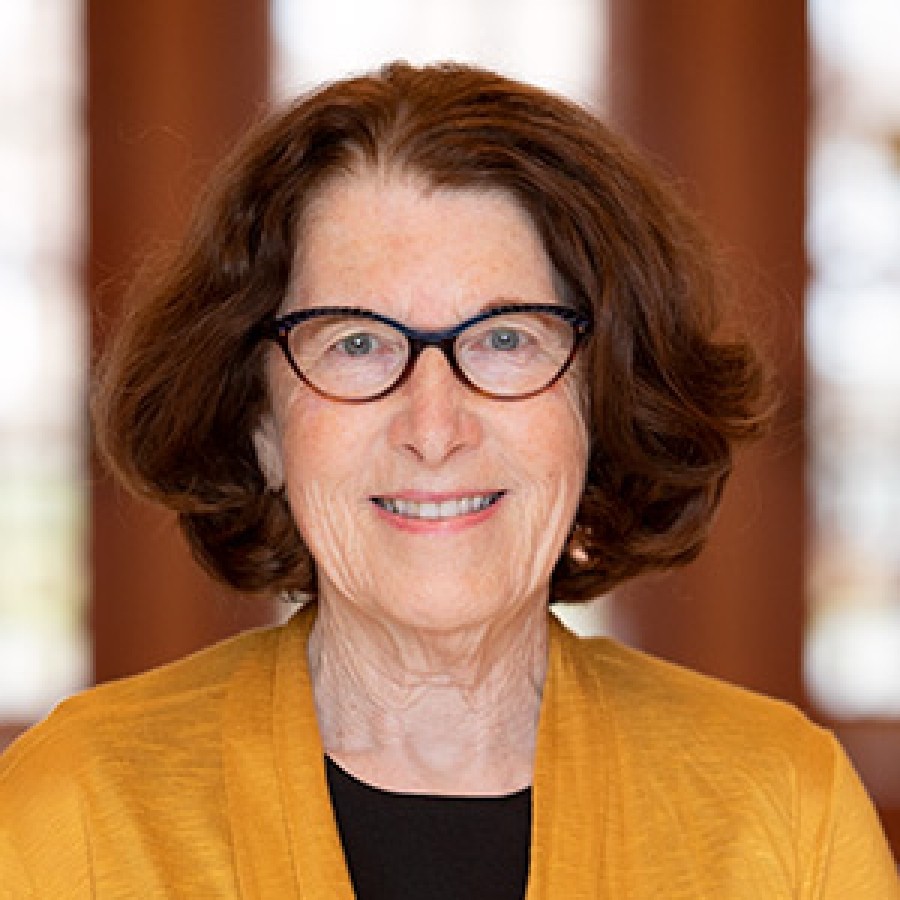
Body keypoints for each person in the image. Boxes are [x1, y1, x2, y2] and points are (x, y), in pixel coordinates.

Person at [1, 61, 896, 899]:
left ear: (604, 405)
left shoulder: (785, 812)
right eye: (356, 343)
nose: (433, 429)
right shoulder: (73, 814)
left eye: (506, 339)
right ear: (261, 425)